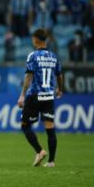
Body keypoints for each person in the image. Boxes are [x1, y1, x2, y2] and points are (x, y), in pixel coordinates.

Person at [17, 28, 63, 168]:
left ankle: (40, 151)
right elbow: (59, 75)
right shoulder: (54, 57)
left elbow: (29, 76)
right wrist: (60, 89)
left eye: (33, 39)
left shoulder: (33, 56)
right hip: (49, 96)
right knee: (50, 128)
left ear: (36, 39)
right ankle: (51, 161)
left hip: (34, 95)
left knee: (25, 126)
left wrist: (22, 95)